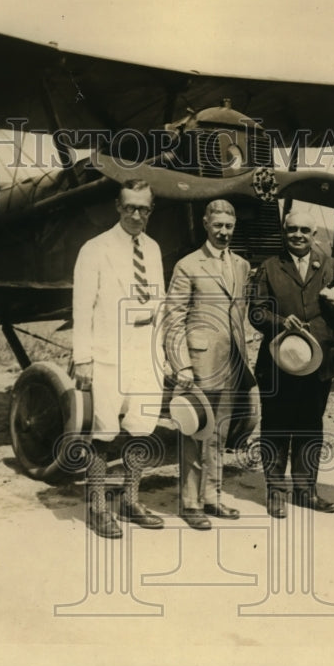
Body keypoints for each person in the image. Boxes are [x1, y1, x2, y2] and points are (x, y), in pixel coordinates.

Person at [72, 179, 166, 538]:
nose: (136, 214)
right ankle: (96, 507)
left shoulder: (154, 249)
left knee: (141, 430)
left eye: (143, 208)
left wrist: (164, 355)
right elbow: (82, 308)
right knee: (104, 432)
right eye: (130, 207)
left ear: (150, 211)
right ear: (118, 206)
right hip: (109, 355)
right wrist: (83, 359)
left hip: (146, 355)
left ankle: (130, 499)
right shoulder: (95, 249)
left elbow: (159, 306)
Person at [248, 209, 334, 518]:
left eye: (304, 230)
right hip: (280, 361)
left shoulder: (328, 265)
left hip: (319, 362)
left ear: (314, 234)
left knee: (310, 426)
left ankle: (306, 490)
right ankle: (275, 493)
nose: (298, 234)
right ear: (285, 232)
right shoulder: (269, 268)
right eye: (292, 229)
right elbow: (255, 312)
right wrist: (282, 322)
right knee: (276, 427)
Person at [164, 199, 256, 529]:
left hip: (231, 364)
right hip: (199, 365)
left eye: (229, 226)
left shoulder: (242, 266)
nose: (223, 232)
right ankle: (190, 504)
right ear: (206, 224)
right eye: (217, 225)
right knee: (195, 431)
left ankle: (213, 498)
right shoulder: (188, 265)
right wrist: (182, 366)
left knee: (219, 433)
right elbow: (173, 320)